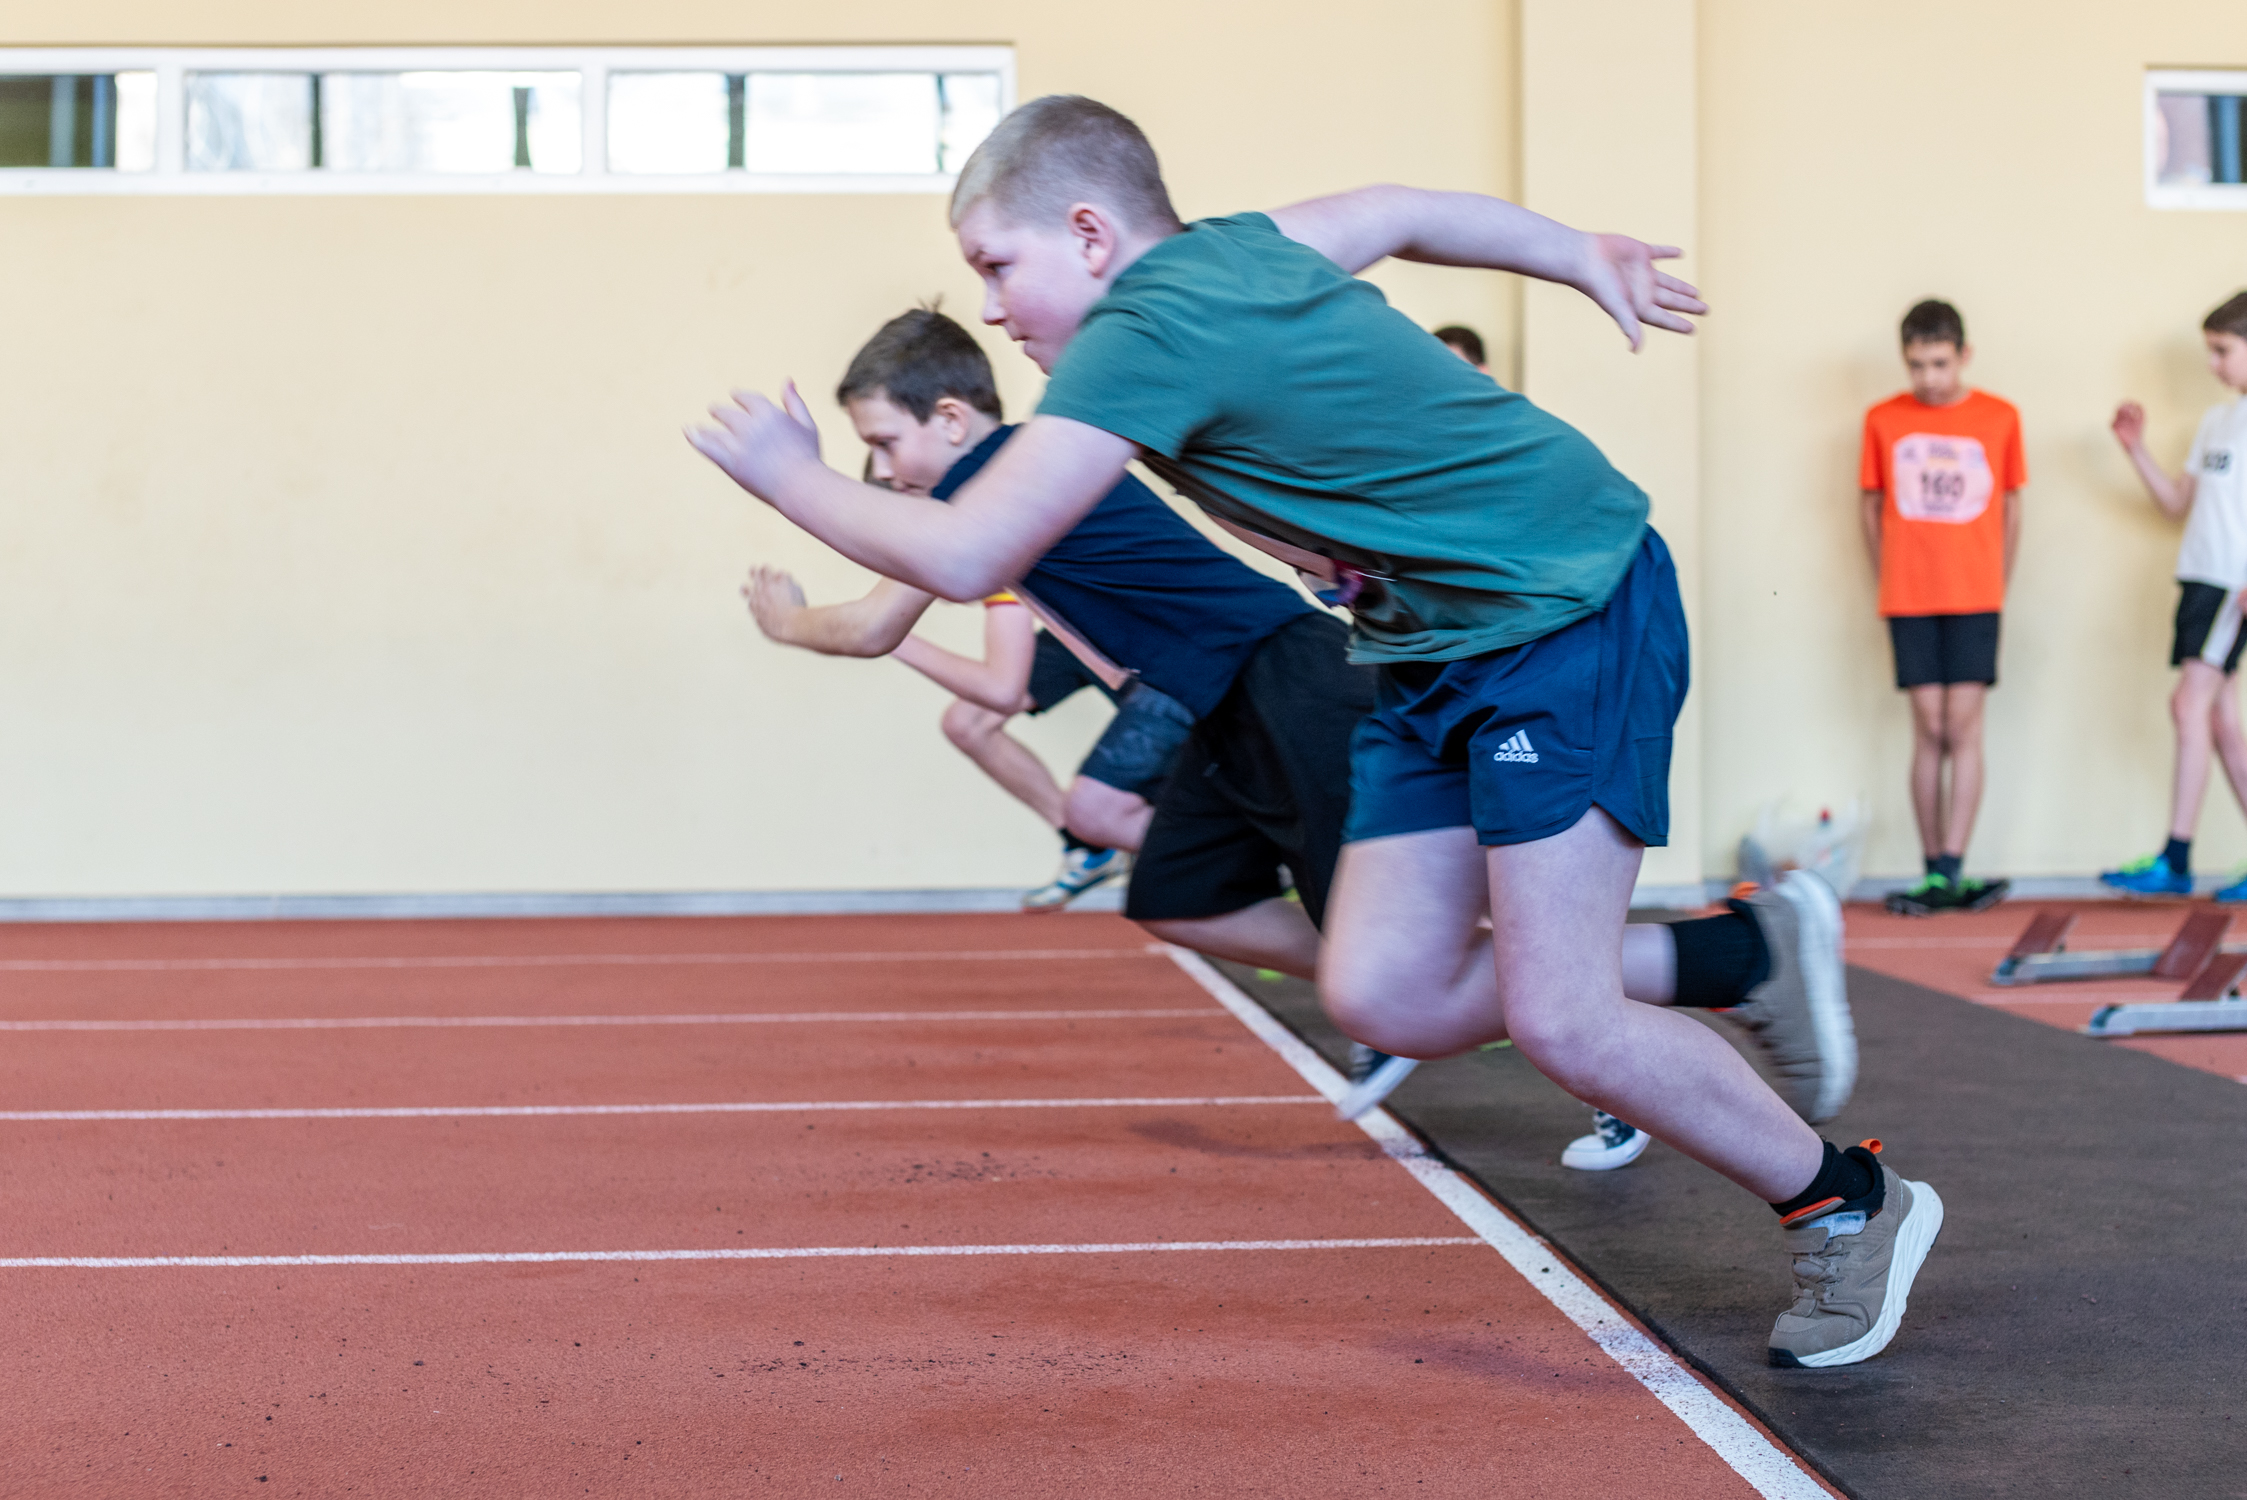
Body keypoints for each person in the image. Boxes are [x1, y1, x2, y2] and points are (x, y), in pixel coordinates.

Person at [686, 96, 1908, 1368]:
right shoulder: (1241, 246)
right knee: (1381, 988)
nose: (989, 308)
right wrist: (1571, 248)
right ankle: (1748, 947)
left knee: (1564, 1019)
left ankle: (1847, 1199)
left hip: (1564, 603)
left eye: (998, 265)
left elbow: (970, 550)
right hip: (1426, 646)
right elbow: (1402, 211)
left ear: (1092, 234)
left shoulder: (1134, 333)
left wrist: (787, 473)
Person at [750, 561, 1150, 910]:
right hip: (1079, 630)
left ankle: (1175, 855)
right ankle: (1090, 848)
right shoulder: (997, 572)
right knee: (967, 724)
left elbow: (1000, 688)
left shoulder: (1002, 565)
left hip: (1140, 633)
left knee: (1105, 807)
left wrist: (882, 635)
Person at [1859, 300, 2025, 916]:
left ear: (1963, 355)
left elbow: (2011, 508)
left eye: (1938, 363)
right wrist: (1892, 578)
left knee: (1963, 727)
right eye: (1916, 365)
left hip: (1976, 595)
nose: (1927, 377)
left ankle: (1955, 866)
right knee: (1929, 727)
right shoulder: (1882, 419)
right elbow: (1871, 508)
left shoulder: (2000, 417)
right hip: (1910, 596)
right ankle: (1933, 870)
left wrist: (1995, 583)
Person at [2100, 291, 2247, 899]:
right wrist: (2136, 449)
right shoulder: (2217, 422)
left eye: (2222, 351)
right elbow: (2177, 504)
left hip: (2232, 588)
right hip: (2199, 579)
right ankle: (2178, 857)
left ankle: (2176, 857)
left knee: (2188, 706)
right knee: (2217, 720)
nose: (2212, 363)